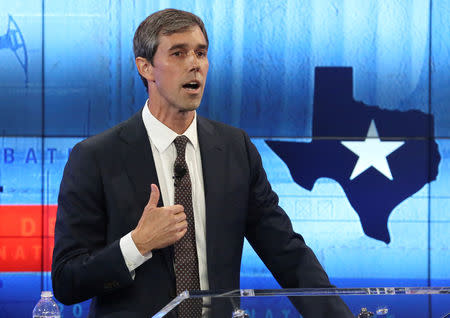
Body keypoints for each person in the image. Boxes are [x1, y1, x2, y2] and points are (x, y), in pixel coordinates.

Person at [51, 8, 353, 318]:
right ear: (146, 68)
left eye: (200, 53)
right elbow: (66, 280)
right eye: (178, 53)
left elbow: (287, 253)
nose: (194, 64)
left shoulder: (236, 149)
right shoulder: (96, 157)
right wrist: (136, 245)